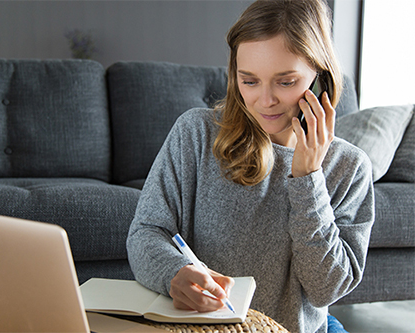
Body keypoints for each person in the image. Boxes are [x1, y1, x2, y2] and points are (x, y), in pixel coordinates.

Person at [126, 0, 374, 332]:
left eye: (285, 82)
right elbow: (146, 232)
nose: (265, 100)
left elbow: (325, 288)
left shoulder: (349, 167)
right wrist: (175, 273)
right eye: (250, 81)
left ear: (320, 79)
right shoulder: (196, 134)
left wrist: (308, 178)